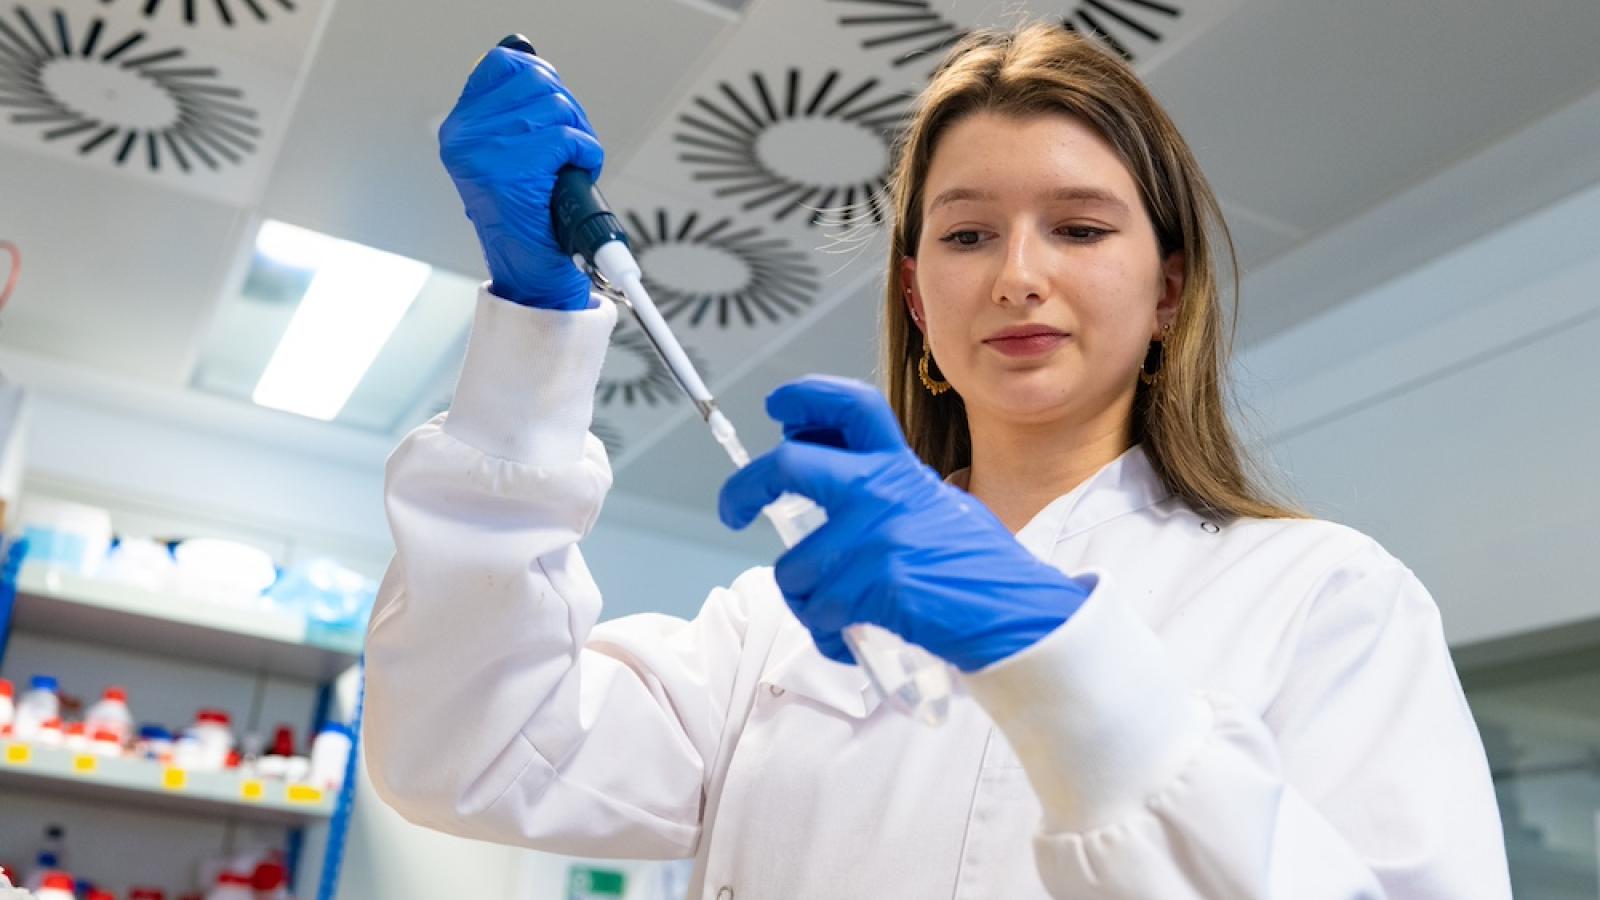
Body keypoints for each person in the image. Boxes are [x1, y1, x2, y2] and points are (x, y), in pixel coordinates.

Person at [364, 23, 1512, 899]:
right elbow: (471, 751)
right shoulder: (779, 622)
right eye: (965, 234)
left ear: (1167, 290)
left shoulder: (1321, 598)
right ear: (917, 295)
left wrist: (1064, 661)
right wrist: (533, 332)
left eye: (1078, 226)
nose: (1016, 275)